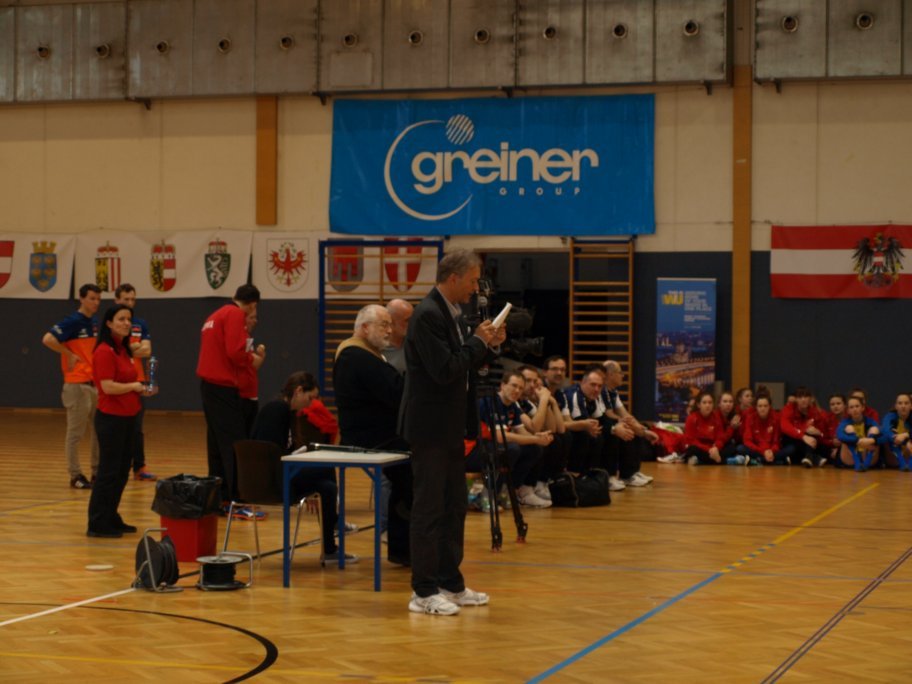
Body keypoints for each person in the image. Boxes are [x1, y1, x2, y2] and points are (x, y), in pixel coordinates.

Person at [400, 249, 504, 616]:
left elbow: (466, 362)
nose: (476, 288)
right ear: (454, 277)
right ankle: (423, 591)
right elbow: (445, 369)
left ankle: (450, 582)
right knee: (429, 509)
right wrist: (477, 342)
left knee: (454, 506)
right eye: (473, 280)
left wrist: (488, 344)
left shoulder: (452, 313)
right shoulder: (428, 315)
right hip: (429, 427)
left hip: (450, 426)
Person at [333, 304, 411, 566]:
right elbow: (397, 392)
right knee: (412, 470)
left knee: (410, 471)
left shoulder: (365, 354)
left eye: (390, 324)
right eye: (384, 325)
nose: (389, 330)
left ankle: (403, 546)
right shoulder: (358, 356)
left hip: (375, 433)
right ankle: (402, 545)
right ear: (365, 328)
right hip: (369, 438)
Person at [251, 372, 356, 563]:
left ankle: (329, 550)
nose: (311, 403)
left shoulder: (288, 414)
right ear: (298, 391)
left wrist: (310, 483)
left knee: (327, 487)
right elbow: (270, 454)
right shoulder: (277, 410)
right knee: (326, 467)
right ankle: (334, 521)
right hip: (269, 482)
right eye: (310, 398)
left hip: (279, 476)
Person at [87, 304, 155, 537]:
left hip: (128, 418)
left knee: (122, 471)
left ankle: (111, 515)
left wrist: (141, 389)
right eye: (121, 319)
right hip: (111, 419)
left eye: (129, 319)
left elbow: (126, 382)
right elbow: (107, 387)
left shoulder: (123, 350)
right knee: (108, 472)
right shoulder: (104, 351)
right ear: (109, 323)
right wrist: (134, 386)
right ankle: (97, 522)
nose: (126, 323)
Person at [196, 284, 265, 504]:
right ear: (252, 304)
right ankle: (237, 497)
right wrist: (251, 359)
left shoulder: (215, 315)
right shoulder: (235, 314)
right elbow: (235, 351)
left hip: (209, 387)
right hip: (223, 388)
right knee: (234, 444)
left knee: (216, 444)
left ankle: (219, 496)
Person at [42, 283, 102, 489]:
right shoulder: (73, 321)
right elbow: (48, 339)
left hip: (93, 384)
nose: (96, 302)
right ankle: (75, 475)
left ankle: (97, 472)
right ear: (82, 298)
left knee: (99, 430)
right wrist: (68, 354)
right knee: (75, 433)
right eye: (92, 298)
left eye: (98, 299)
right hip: (76, 385)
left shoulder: (94, 322)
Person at [471, 370, 552, 508]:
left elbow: (523, 432)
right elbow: (500, 437)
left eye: (520, 388)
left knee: (534, 449)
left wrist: (539, 438)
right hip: (471, 449)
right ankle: (486, 495)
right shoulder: (490, 401)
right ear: (502, 385)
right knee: (511, 449)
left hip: (490, 447)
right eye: (514, 385)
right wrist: (535, 439)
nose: (517, 390)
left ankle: (508, 491)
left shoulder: (512, 405)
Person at [113, 283, 156, 482]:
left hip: (138, 382)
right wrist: (134, 347)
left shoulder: (140, 324)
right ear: (117, 300)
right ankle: (115, 467)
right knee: (116, 428)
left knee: (136, 428)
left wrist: (128, 349)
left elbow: (147, 351)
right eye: (126, 299)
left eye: (132, 299)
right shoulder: (111, 323)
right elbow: (113, 350)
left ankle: (139, 468)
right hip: (116, 383)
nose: (130, 303)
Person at [601, 360, 656, 486]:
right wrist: (629, 424)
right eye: (620, 372)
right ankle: (620, 475)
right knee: (627, 428)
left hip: (611, 423)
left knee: (638, 427)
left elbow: (625, 413)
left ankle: (632, 472)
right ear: (610, 375)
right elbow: (608, 414)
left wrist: (642, 429)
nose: (623, 375)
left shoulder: (613, 392)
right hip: (603, 425)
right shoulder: (602, 390)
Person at [779, 386, 827, 467]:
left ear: (810, 399)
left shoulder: (815, 412)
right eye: (800, 397)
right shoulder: (789, 409)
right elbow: (785, 427)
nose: (803, 399)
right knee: (793, 448)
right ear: (796, 399)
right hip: (791, 439)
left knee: (815, 439)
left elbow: (823, 433)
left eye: (806, 397)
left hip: (810, 441)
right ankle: (813, 458)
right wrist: (803, 435)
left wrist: (818, 432)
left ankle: (808, 457)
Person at [238, 309, 265, 437]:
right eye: (252, 317)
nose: (255, 321)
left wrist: (261, 356)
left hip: (251, 394)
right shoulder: (239, 339)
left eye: (256, 317)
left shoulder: (247, 338)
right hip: (242, 396)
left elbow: (254, 366)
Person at [837, 396, 883, 471]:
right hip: (850, 457)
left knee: (874, 430)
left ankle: (866, 463)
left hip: (866, 453)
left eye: (857, 406)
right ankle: (857, 463)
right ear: (848, 410)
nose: (855, 409)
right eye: (851, 407)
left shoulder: (870, 421)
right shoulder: (845, 422)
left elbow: (884, 436)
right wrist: (858, 441)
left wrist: (871, 440)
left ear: (862, 408)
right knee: (849, 428)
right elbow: (840, 435)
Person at [738, 395, 785, 465]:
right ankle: (773, 460)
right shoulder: (750, 418)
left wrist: (772, 451)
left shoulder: (776, 418)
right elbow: (747, 441)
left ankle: (759, 460)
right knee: (740, 448)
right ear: (756, 407)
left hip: (771, 450)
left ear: (769, 407)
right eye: (760, 406)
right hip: (757, 450)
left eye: (765, 406)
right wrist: (763, 452)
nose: (763, 408)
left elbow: (776, 441)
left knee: (790, 449)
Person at [683, 391, 725, 465]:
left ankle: (700, 461)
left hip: (713, 448)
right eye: (704, 403)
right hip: (699, 447)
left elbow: (720, 438)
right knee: (692, 449)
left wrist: (716, 447)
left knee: (730, 448)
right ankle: (717, 461)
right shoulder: (692, 418)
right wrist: (708, 449)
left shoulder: (716, 417)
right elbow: (691, 440)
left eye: (710, 403)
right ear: (699, 405)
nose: (707, 405)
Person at [881, 393, 912, 471]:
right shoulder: (889, 417)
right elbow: (886, 430)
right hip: (893, 449)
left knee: (909, 444)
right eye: (900, 403)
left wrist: (906, 435)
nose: (903, 406)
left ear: (911, 406)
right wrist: (896, 437)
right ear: (896, 406)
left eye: (906, 403)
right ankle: (902, 463)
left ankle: (909, 465)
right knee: (884, 438)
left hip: (908, 447)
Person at [383, 298, 414, 375]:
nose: (412, 323)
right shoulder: (377, 348)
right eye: (407, 320)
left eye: (413, 319)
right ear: (390, 322)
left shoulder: (416, 344)